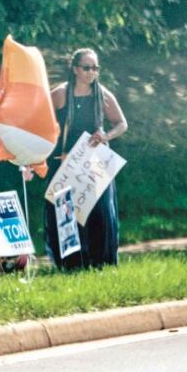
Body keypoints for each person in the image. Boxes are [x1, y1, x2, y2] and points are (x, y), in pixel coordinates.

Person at [44, 48, 128, 269]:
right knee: (67, 212)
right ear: (75, 69)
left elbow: (121, 123)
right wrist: (54, 151)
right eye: (87, 67)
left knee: (100, 210)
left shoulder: (102, 94)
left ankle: (102, 262)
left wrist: (106, 135)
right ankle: (71, 264)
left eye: (95, 68)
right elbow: (42, 123)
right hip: (66, 159)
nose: (92, 72)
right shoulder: (61, 94)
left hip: (95, 160)